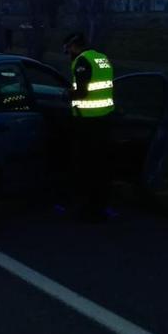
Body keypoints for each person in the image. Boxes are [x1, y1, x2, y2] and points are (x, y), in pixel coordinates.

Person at [62, 32, 115, 222]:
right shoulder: (102, 58)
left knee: (83, 165)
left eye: (68, 49)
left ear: (74, 46)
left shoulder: (83, 61)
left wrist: (67, 95)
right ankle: (100, 206)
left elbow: (82, 93)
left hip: (86, 122)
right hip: (105, 119)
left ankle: (84, 207)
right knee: (101, 165)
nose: (68, 53)